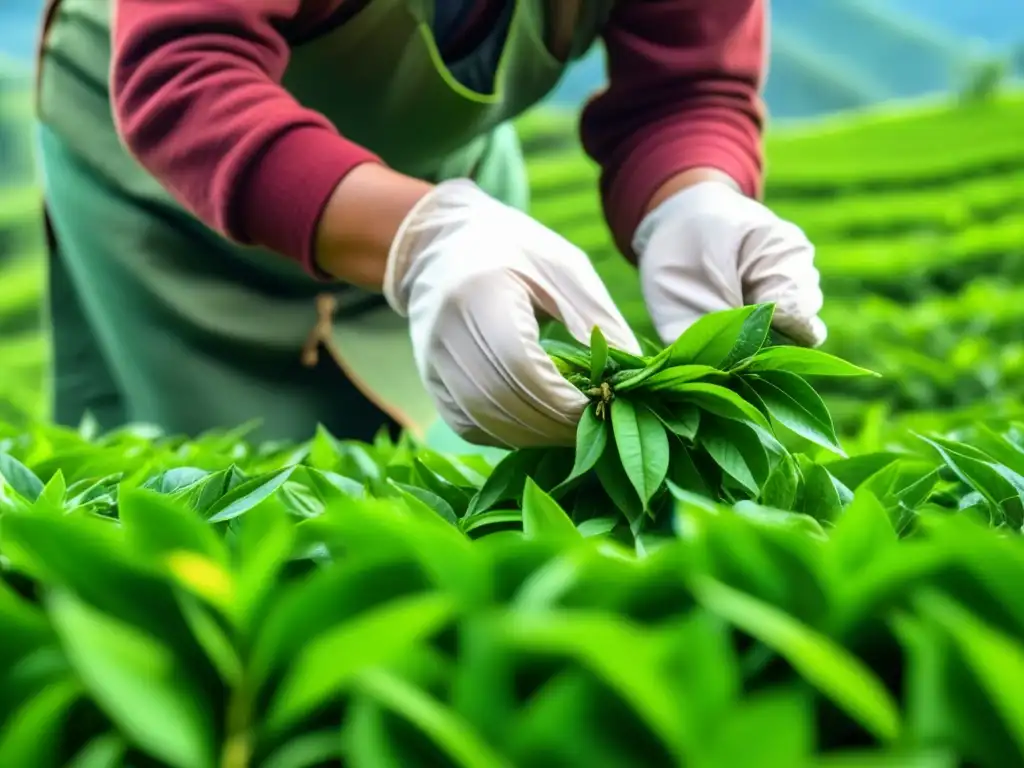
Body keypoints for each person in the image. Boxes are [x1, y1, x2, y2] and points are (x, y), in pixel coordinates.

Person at [32, 0, 825, 450]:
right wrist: (416, 237)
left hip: (451, 185)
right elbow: (187, 69)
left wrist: (694, 199)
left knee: (466, 483)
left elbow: (685, 88)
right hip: (170, 207)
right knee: (211, 492)